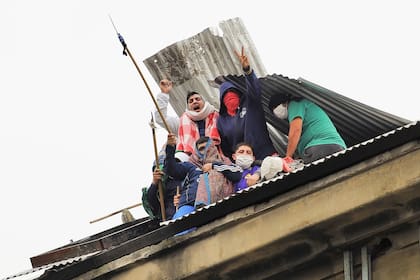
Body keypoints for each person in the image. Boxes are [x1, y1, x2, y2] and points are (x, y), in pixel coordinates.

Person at [217, 47, 277, 161]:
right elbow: (225, 147)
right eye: (226, 94)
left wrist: (247, 70)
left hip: (266, 155)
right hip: (245, 163)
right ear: (222, 100)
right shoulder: (221, 121)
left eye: (233, 92)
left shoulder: (250, 104)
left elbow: (254, 88)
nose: (230, 96)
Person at [166, 134, 241, 218]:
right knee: (180, 227)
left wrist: (214, 166)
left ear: (213, 147)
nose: (205, 151)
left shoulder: (224, 163)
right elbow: (171, 170)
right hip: (189, 206)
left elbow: (238, 174)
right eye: (201, 149)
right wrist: (170, 148)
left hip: (219, 206)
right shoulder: (190, 166)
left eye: (208, 147)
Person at [268, 93, 347, 164]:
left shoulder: (294, 104)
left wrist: (288, 157)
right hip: (337, 147)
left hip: (320, 147)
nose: (276, 112)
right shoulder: (305, 105)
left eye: (275, 108)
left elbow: (295, 130)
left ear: (285, 103)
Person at [154, 79, 220, 156]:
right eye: (191, 101)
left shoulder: (217, 117)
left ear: (204, 103)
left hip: (216, 158)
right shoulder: (181, 123)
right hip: (191, 162)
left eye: (197, 99)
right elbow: (160, 119)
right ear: (188, 107)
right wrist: (164, 94)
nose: (194, 102)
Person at [141, 145, 190, 221]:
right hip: (169, 220)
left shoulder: (191, 176)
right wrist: (154, 184)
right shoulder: (166, 183)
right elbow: (153, 204)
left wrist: (183, 199)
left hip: (186, 215)